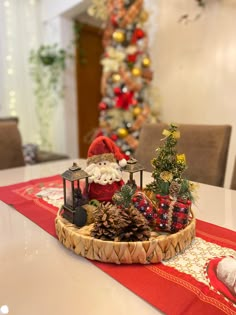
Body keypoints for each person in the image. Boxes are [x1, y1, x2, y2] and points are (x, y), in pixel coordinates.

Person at [85, 136, 127, 202]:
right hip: (95, 202)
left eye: (105, 163)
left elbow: (121, 184)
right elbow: (86, 190)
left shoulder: (114, 175)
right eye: (99, 164)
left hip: (115, 201)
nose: (103, 168)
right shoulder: (93, 177)